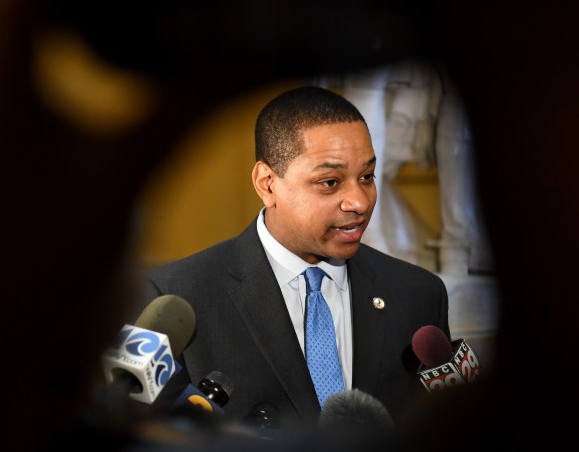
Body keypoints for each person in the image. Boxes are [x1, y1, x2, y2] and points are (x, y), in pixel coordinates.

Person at [141, 86, 450, 431]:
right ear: (267, 184)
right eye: (330, 182)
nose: (359, 202)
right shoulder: (175, 299)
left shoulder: (420, 294)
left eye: (367, 177)